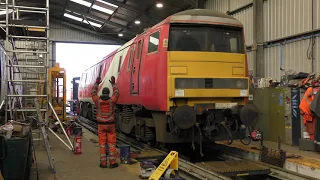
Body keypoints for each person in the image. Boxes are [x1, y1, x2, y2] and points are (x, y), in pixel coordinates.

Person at [91, 76, 119, 168]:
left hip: (101, 126)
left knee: (102, 144)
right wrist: (113, 84)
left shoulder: (97, 100)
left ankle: (103, 163)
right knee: (111, 144)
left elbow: (93, 92)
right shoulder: (112, 101)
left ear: (102, 93)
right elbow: (116, 92)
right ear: (108, 93)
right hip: (110, 126)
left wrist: (97, 83)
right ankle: (112, 163)